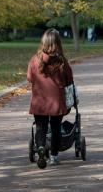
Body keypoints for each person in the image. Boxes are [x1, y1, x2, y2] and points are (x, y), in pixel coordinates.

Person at [27, 29, 74, 168]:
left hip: (39, 101)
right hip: (56, 102)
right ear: (58, 43)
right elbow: (69, 81)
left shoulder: (35, 60)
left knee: (40, 128)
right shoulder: (62, 62)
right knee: (55, 129)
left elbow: (29, 78)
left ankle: (41, 147)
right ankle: (53, 156)